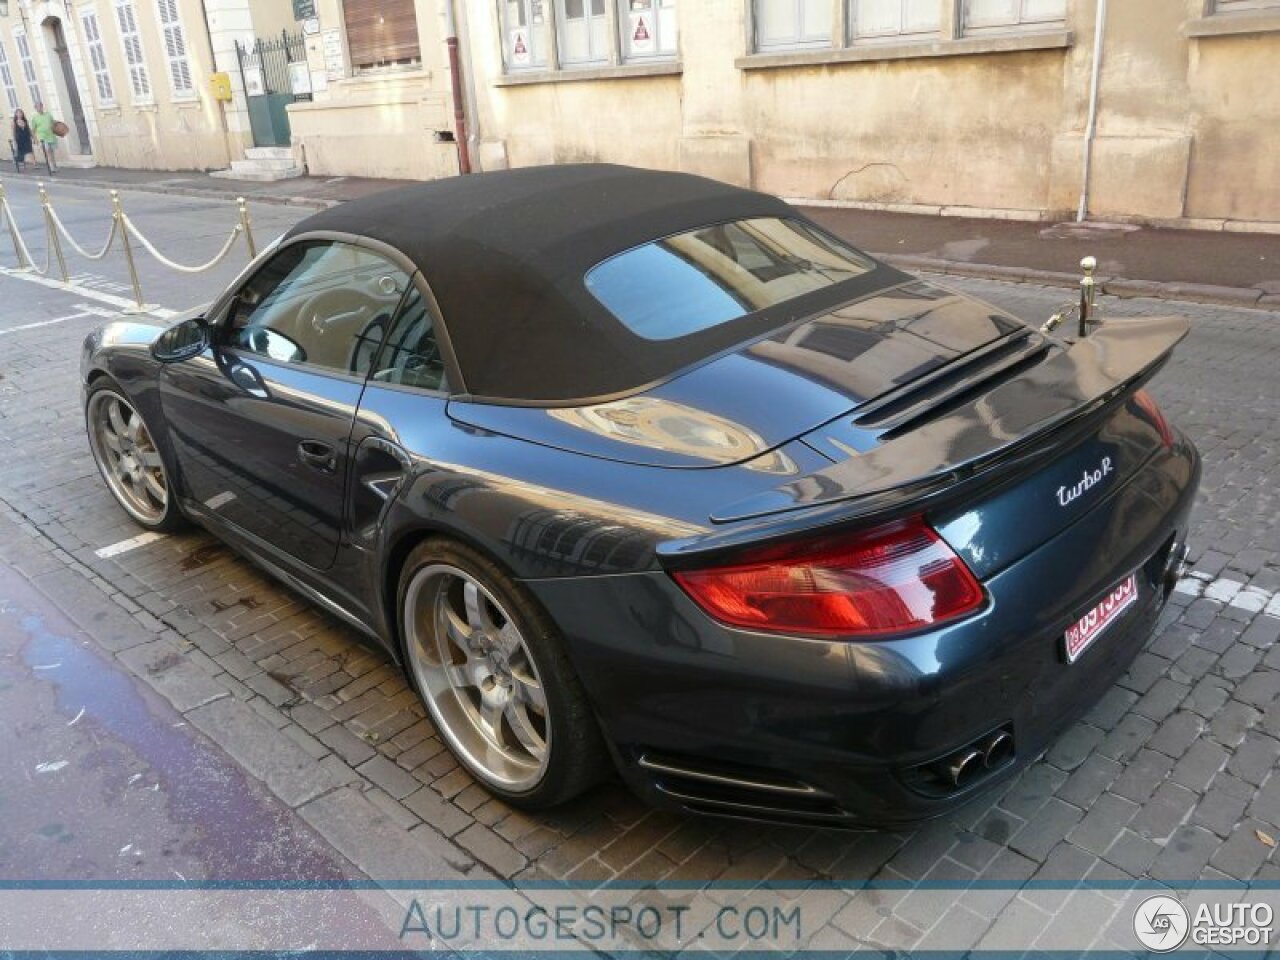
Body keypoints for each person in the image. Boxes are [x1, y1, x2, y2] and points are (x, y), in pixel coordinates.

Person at [30, 101, 57, 174]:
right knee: (47, 151)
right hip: (42, 137)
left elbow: (53, 122)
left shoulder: (48, 114)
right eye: (37, 107)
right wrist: (35, 139)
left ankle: (54, 165)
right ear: (35, 108)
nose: (39, 108)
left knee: (51, 151)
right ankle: (51, 167)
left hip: (51, 136)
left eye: (40, 106)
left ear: (42, 106)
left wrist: (54, 126)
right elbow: (33, 129)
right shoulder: (34, 117)